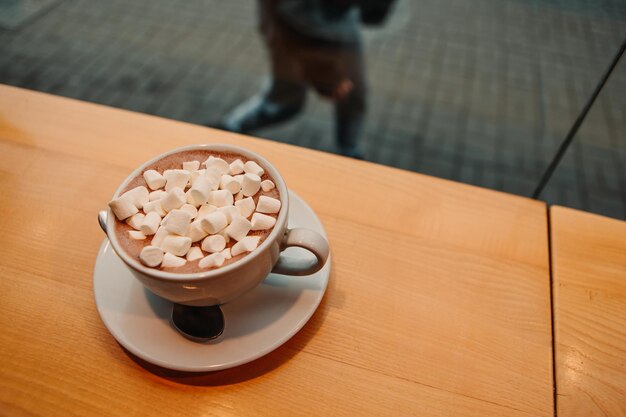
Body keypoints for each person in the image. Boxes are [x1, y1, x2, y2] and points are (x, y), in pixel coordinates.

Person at [219, 0, 394, 159]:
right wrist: (325, 75)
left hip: (330, 19)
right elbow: (288, 15)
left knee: (354, 95)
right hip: (291, 23)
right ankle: (228, 129)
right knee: (285, 103)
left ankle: (350, 153)